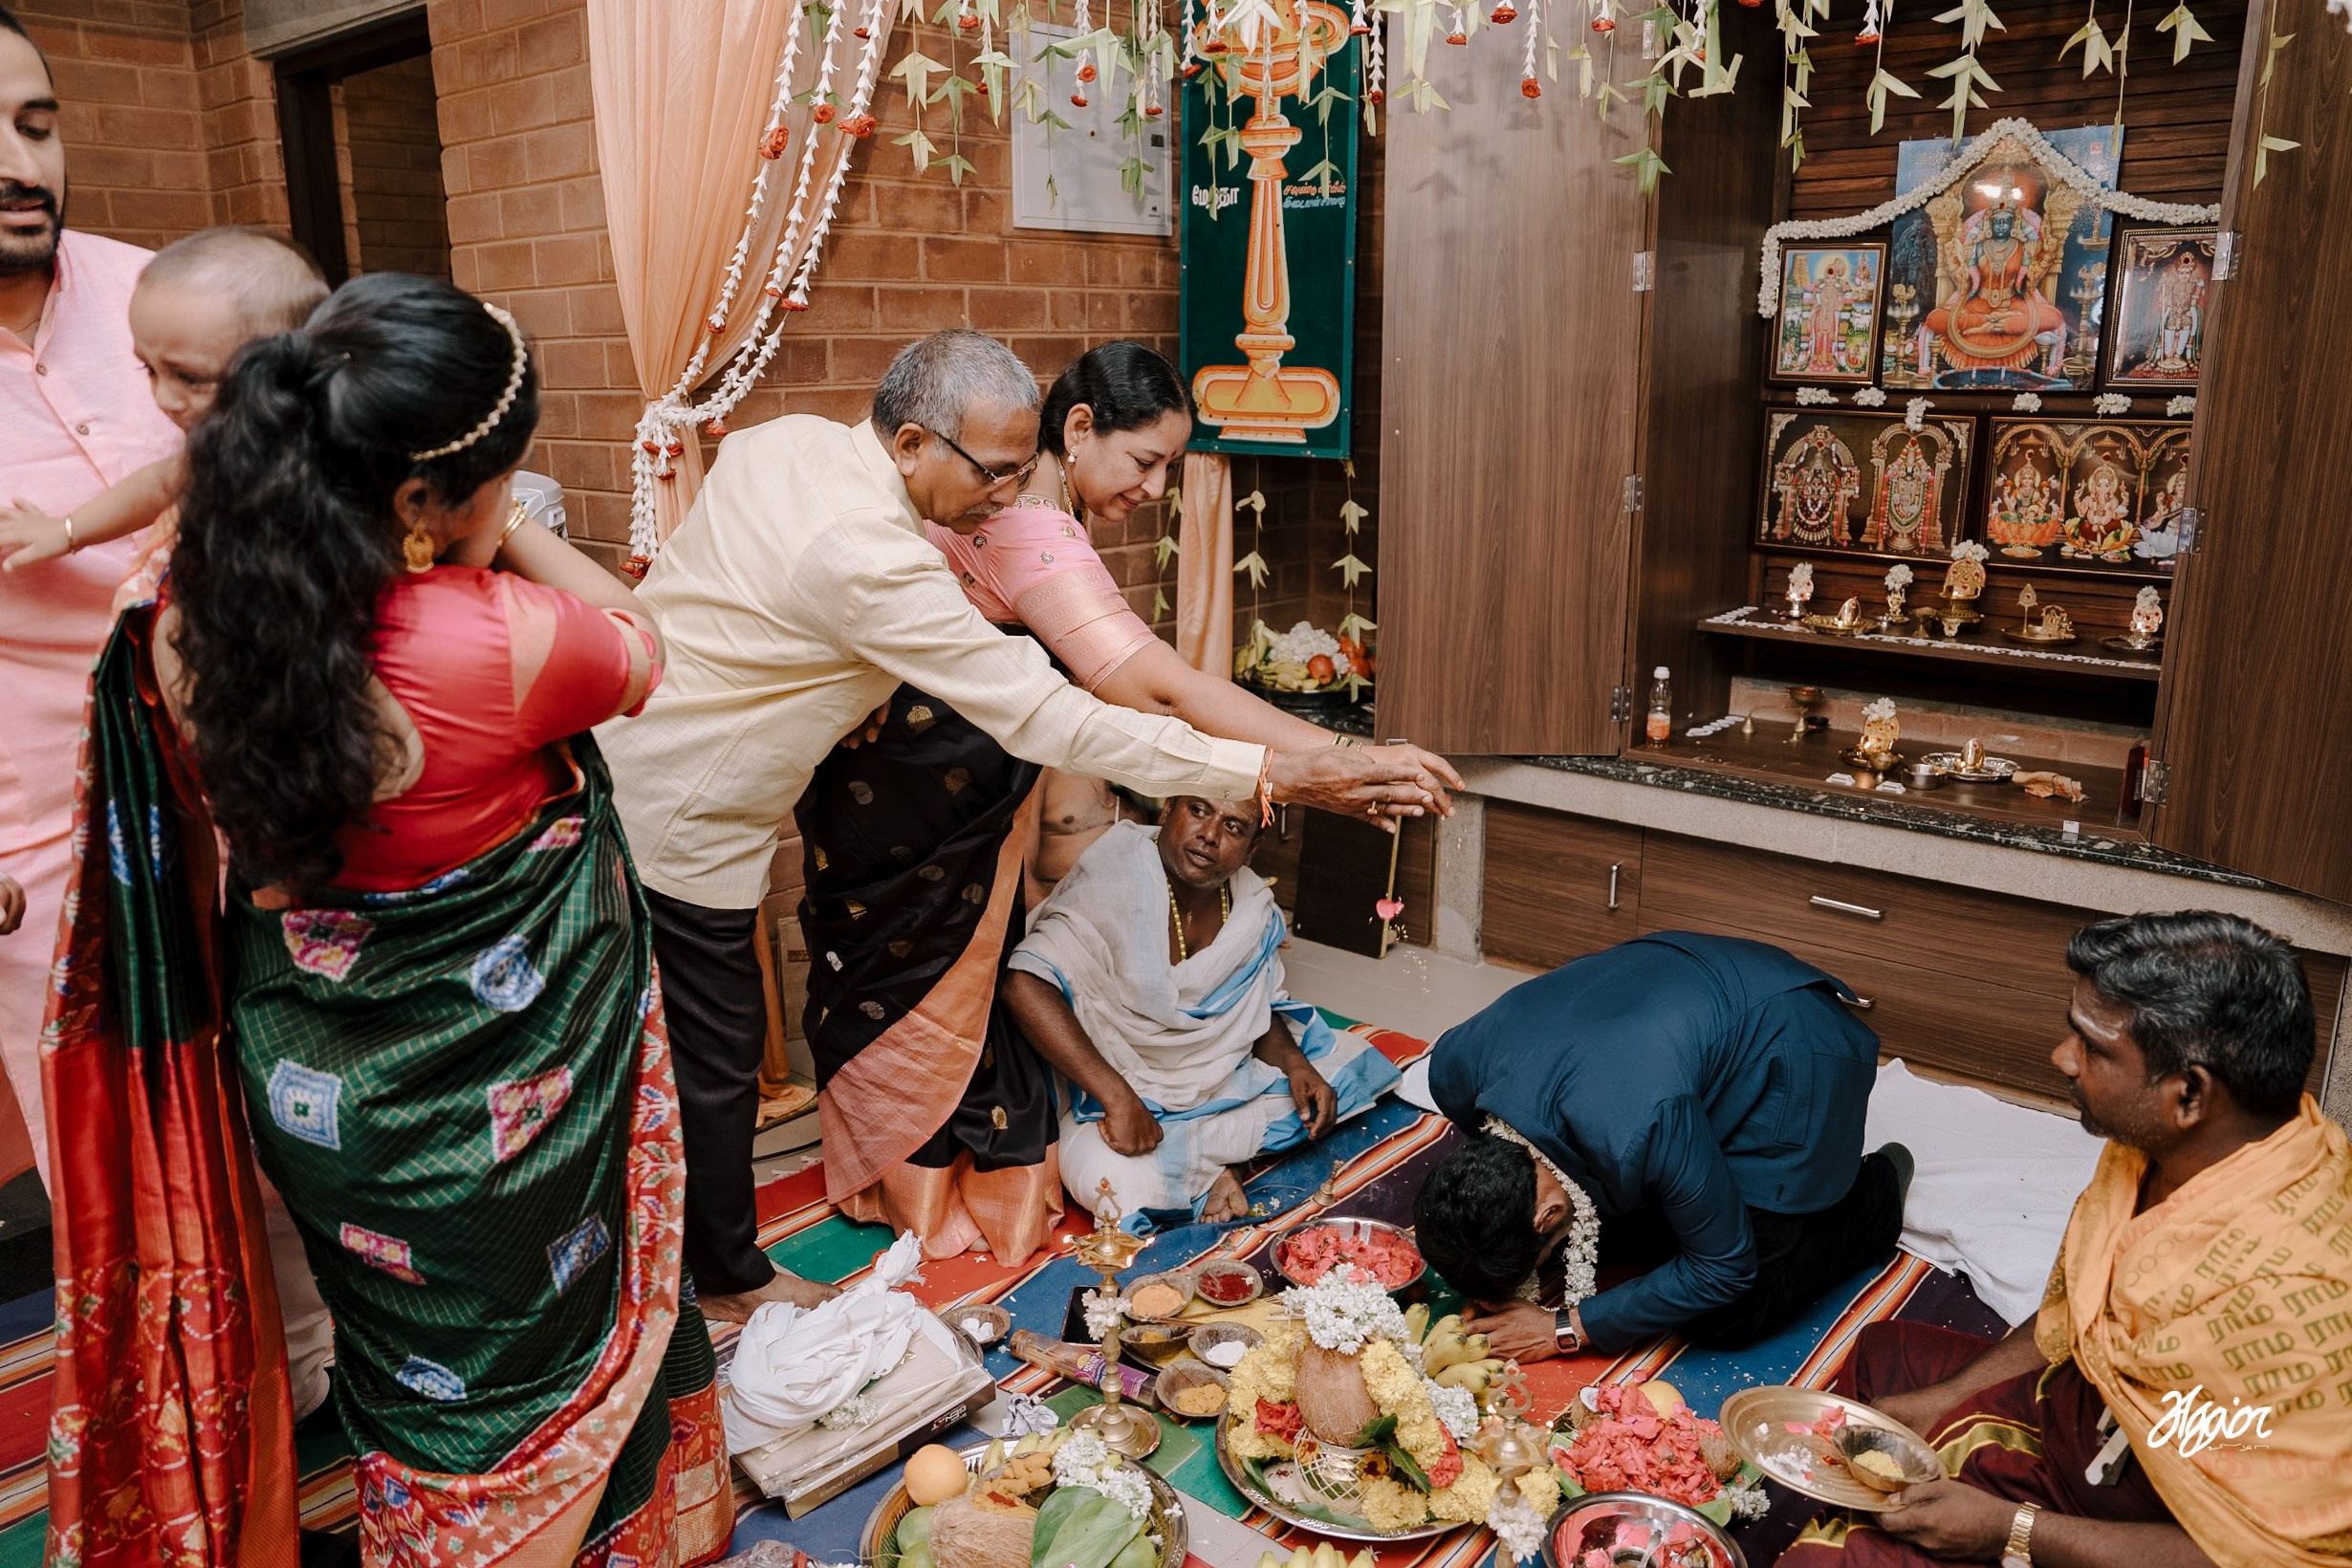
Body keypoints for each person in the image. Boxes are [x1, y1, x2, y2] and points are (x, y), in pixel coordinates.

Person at [45, 273, 732, 1566]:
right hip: (501, 1114)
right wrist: (500, 537)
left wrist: (458, 517)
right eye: (502, 478)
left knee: (415, 1363)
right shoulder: (503, 638)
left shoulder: (191, 618)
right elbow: (642, 641)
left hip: (323, 1097)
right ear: (423, 499)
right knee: (536, 1354)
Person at [598, 329, 1458, 1315]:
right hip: (685, 820)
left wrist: (854, 677)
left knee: (667, 1042)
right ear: (912, 442)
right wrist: (1280, 772)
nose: (1008, 499)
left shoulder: (783, 441)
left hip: (643, 758)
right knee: (708, 1055)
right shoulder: (875, 556)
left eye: (1021, 471)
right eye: (995, 474)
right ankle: (715, 1281)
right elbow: (1057, 713)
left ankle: (671, 1258)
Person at [1777, 913, 2352, 1568]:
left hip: (2138, 1516)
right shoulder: (2162, 1143)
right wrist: (1948, 1397)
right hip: (2079, 1417)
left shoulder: (2299, 1298)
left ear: (2190, 1093)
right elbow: (2080, 1309)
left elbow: (2276, 1559)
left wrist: (2012, 1530)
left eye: (2094, 1047)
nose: (2063, 1058)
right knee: (1883, 1363)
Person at [0, 6, 183, 1186]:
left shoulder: (160, 292)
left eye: (36, 124)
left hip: (244, 810)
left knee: (300, 1149)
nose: (19, 165)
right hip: (43, 860)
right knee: (115, 1181)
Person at [1413, 932, 1909, 1357]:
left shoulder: (1639, 1128)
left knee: (1726, 1313)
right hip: (1676, 988)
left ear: (1546, 1215)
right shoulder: (1454, 1066)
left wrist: (1563, 1328)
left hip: (1797, 1041)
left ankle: (1876, 1196)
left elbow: (1724, 1268)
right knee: (1625, 1238)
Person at [1001, 792, 1401, 1226]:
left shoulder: (1251, 908)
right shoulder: (1113, 879)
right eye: (1198, 810)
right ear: (1168, 809)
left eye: (1233, 827)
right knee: (1112, 1183)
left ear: (1251, 849)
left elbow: (1253, 1009)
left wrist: (1295, 1065)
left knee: (1342, 1078)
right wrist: (1117, 1097)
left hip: (1217, 1082)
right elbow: (1023, 984)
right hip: (1114, 1088)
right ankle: (1216, 1164)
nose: (1209, 835)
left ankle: (1207, 1168)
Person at [0, 228, 329, 606]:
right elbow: (157, 484)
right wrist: (67, 530)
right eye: (150, 370)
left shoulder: (334, 449)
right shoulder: (221, 445)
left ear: (289, 365)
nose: (163, 399)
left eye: (190, 378)